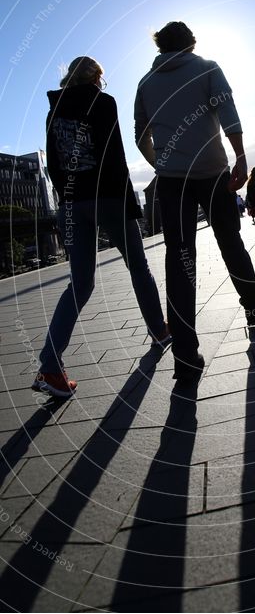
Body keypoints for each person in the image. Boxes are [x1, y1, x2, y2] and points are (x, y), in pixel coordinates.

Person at [134, 21, 255, 384]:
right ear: (191, 43)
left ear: (160, 45)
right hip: (213, 174)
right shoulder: (207, 68)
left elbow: (140, 135)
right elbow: (228, 113)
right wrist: (241, 157)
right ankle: (253, 303)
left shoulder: (145, 83)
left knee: (180, 263)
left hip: (172, 182)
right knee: (230, 241)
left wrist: (161, 164)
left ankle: (185, 355)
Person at [34, 57, 169, 398]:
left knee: (79, 284)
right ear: (96, 77)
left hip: (71, 204)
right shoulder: (103, 102)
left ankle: (50, 366)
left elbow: (53, 163)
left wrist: (67, 200)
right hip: (108, 196)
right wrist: (128, 203)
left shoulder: (53, 111)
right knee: (138, 266)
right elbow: (113, 156)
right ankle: (159, 331)